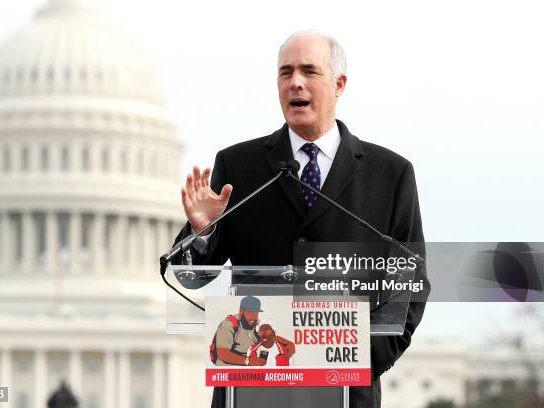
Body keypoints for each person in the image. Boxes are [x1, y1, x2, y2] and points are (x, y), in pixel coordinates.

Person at [174, 30, 429, 408]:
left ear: (339, 83)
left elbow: (410, 286)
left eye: (309, 71)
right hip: (252, 388)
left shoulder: (390, 175)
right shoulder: (238, 167)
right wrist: (201, 231)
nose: (295, 82)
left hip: (347, 390)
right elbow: (191, 275)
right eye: (285, 72)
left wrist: (357, 361)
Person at [212, 296, 295, 366]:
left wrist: (288, 343)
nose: (254, 316)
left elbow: (267, 335)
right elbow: (223, 354)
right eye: (250, 312)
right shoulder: (228, 325)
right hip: (228, 371)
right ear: (241, 310)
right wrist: (249, 361)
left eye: (256, 312)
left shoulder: (255, 323)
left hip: (249, 370)